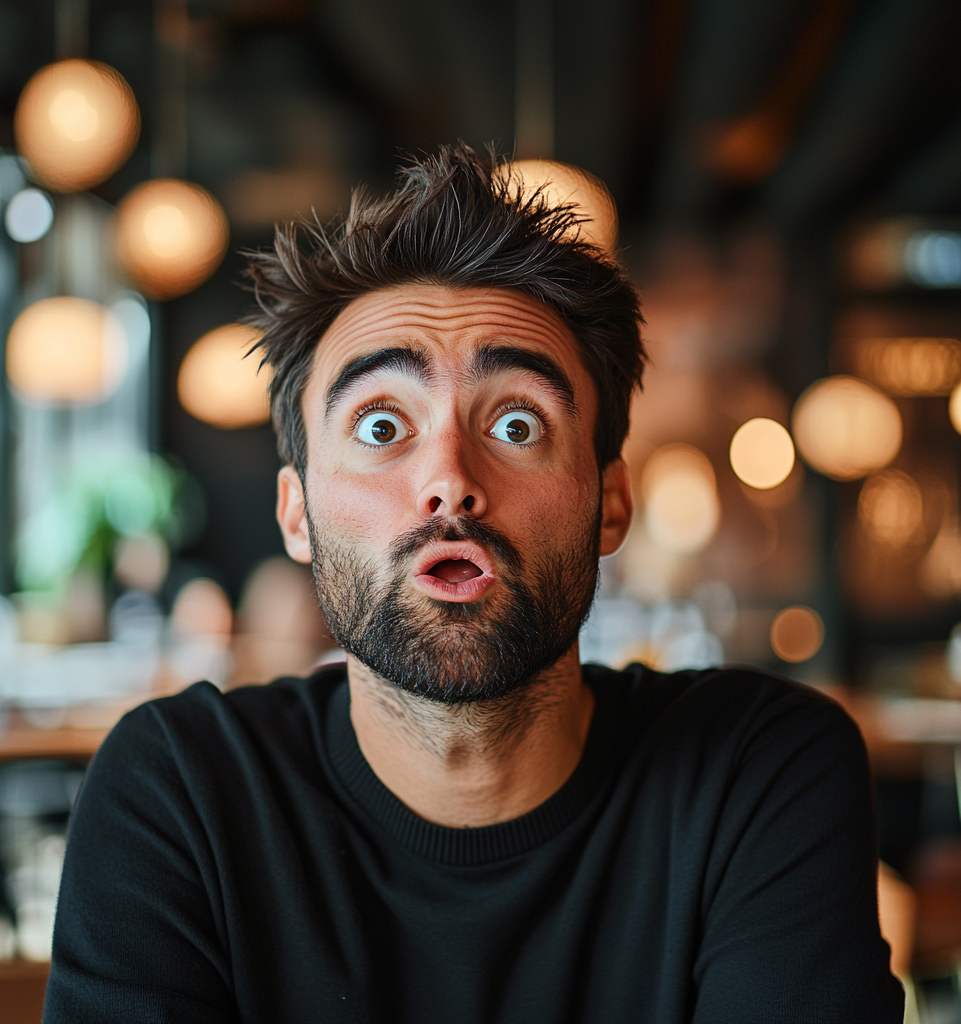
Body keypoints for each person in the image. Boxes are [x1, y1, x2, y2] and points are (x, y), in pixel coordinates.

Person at [44, 145, 903, 1023]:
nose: (449, 478)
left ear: (610, 503)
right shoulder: (180, 792)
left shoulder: (758, 773)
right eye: (381, 425)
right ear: (297, 514)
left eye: (518, 422)